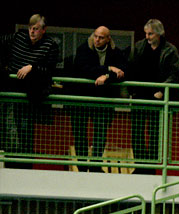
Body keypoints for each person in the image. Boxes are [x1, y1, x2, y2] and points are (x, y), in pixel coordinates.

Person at [0, 14, 59, 155]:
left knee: (25, 131)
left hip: (32, 96)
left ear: (44, 30)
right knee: (8, 130)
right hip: (11, 91)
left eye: (36, 29)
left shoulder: (50, 45)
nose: (32, 31)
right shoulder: (18, 37)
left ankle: (24, 163)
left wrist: (32, 67)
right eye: (30, 28)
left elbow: (49, 70)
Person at [128, 19, 179, 168]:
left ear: (159, 34)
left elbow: (176, 73)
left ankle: (151, 165)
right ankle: (140, 165)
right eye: (146, 33)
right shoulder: (139, 47)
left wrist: (162, 90)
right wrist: (131, 90)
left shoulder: (170, 50)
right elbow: (130, 67)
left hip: (158, 97)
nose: (147, 37)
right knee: (137, 132)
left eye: (150, 34)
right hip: (139, 95)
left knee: (155, 133)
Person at [70, 26, 126, 169]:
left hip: (103, 100)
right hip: (82, 98)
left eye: (101, 37)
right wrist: (108, 69)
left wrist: (106, 76)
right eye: (95, 36)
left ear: (108, 39)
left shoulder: (116, 52)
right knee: (80, 134)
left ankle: (96, 165)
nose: (97, 40)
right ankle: (82, 166)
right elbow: (84, 70)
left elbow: (121, 73)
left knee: (100, 134)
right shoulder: (83, 49)